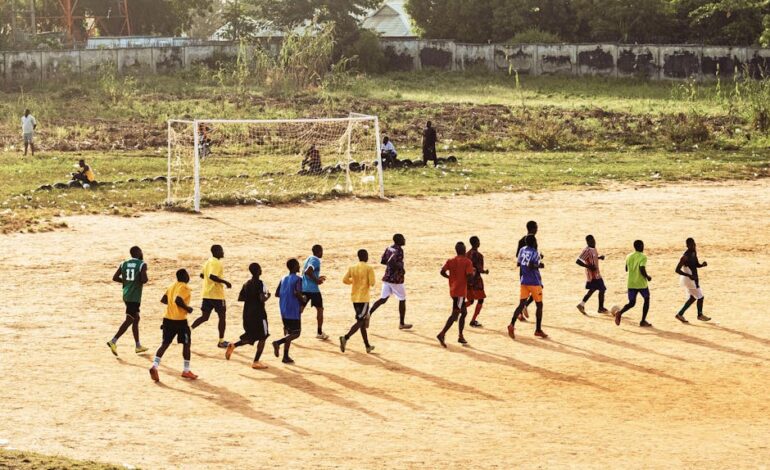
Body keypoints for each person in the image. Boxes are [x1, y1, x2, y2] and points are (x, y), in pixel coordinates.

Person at [149, 269, 198, 382]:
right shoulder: (184, 287)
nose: (188, 277)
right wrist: (187, 308)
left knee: (165, 344)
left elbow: (164, 300)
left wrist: (172, 306)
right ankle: (186, 370)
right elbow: (178, 300)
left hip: (167, 319)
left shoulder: (171, 286)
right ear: (184, 276)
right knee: (186, 344)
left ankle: (155, 366)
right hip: (180, 321)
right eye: (187, 274)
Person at [225, 263, 271, 369]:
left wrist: (251, 297)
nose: (261, 270)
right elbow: (262, 299)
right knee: (263, 337)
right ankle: (256, 361)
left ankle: (234, 345)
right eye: (260, 268)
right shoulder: (261, 283)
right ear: (258, 271)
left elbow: (241, 298)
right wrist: (268, 295)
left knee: (252, 336)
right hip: (259, 314)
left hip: (247, 314)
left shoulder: (246, 284)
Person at [106, 246, 149, 356]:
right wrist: (139, 277)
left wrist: (127, 282)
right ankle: (113, 341)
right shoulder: (142, 264)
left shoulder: (124, 263)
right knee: (130, 319)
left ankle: (138, 346)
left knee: (136, 318)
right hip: (134, 296)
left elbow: (115, 277)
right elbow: (144, 280)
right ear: (139, 253)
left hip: (126, 294)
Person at [191, 244, 232, 348]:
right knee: (222, 317)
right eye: (221, 250)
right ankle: (221, 341)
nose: (223, 252)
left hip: (206, 294)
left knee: (204, 317)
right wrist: (225, 282)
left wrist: (208, 282)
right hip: (217, 295)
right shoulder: (217, 263)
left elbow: (202, 275)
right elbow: (212, 276)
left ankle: (187, 331)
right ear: (216, 251)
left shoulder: (207, 262)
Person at [368, 233, 413, 330]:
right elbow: (391, 261)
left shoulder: (389, 248)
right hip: (396, 279)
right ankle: (401, 323)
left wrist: (391, 266)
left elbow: (383, 261)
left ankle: (368, 313)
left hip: (387, 278)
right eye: (403, 239)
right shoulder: (399, 250)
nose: (404, 240)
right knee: (402, 299)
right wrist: (400, 268)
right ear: (399, 240)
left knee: (383, 299)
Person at [508, 235, 548, 340]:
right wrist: (540, 266)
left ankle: (512, 324)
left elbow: (519, 263)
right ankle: (538, 330)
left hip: (524, 281)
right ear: (534, 242)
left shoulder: (522, 250)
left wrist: (539, 258)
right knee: (539, 305)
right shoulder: (534, 252)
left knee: (521, 304)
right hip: (534, 282)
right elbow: (532, 265)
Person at [437, 242, 475, 347]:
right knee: (455, 314)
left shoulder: (451, 261)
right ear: (464, 250)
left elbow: (442, 272)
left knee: (464, 312)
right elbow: (469, 278)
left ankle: (460, 335)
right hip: (460, 292)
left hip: (453, 290)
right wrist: (473, 274)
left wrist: (450, 278)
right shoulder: (467, 262)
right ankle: (442, 333)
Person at [339, 249, 376, 354]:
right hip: (364, 299)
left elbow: (345, 280)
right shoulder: (369, 268)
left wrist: (353, 282)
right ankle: (345, 338)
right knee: (360, 321)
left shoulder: (352, 268)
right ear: (366, 256)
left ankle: (367, 346)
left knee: (362, 322)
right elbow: (372, 283)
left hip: (355, 298)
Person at [272, 259, 305, 364]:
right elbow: (297, 293)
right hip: (293, 310)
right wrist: (303, 299)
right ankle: (278, 343)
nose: (299, 266)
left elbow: (276, 293)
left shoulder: (283, 278)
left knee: (289, 333)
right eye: (298, 265)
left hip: (283, 309)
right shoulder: (298, 279)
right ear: (295, 266)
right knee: (296, 333)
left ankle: (285, 356)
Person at [614, 240, 653, 327]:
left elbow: (626, 269)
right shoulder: (643, 257)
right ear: (640, 246)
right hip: (641, 283)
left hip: (631, 283)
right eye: (642, 245)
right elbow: (642, 268)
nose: (643, 247)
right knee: (646, 299)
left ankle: (619, 313)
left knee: (632, 303)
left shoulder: (628, 256)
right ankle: (643, 321)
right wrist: (647, 276)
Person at [675, 238, 711, 323]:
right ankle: (700, 315)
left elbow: (697, 265)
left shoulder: (694, 252)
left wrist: (702, 265)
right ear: (687, 246)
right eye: (691, 245)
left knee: (692, 298)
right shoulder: (684, 256)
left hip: (694, 278)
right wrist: (688, 275)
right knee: (700, 297)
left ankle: (680, 314)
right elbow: (677, 270)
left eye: (694, 244)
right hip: (689, 280)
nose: (693, 246)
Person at [575, 235, 609, 315]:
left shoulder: (594, 249)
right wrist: (588, 266)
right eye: (591, 241)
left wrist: (599, 257)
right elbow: (578, 261)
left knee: (594, 290)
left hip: (597, 274)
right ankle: (600, 308)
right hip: (593, 275)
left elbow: (593, 257)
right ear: (587, 242)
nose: (594, 242)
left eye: (594, 240)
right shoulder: (587, 250)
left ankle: (582, 304)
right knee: (602, 289)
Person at [302, 244, 329, 340]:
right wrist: (316, 281)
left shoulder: (309, 258)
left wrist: (317, 277)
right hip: (313, 290)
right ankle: (319, 332)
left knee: (299, 309)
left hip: (304, 288)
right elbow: (308, 272)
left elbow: (308, 272)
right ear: (319, 252)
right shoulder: (316, 260)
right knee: (320, 310)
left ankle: (289, 328)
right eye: (322, 251)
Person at [516, 220, 540, 321]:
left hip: (523, 270)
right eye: (536, 227)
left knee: (524, 292)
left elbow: (518, 255)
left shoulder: (522, 240)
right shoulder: (533, 240)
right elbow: (534, 256)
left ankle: (521, 311)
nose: (537, 229)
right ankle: (524, 306)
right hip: (532, 271)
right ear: (533, 228)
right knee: (536, 291)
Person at [466, 236, 488, 328]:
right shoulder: (479, 256)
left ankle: (457, 310)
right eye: (478, 241)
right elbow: (480, 269)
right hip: (476, 281)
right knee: (480, 299)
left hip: (467, 280)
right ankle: (473, 320)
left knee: (470, 300)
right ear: (476, 243)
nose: (479, 243)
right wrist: (485, 271)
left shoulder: (467, 254)